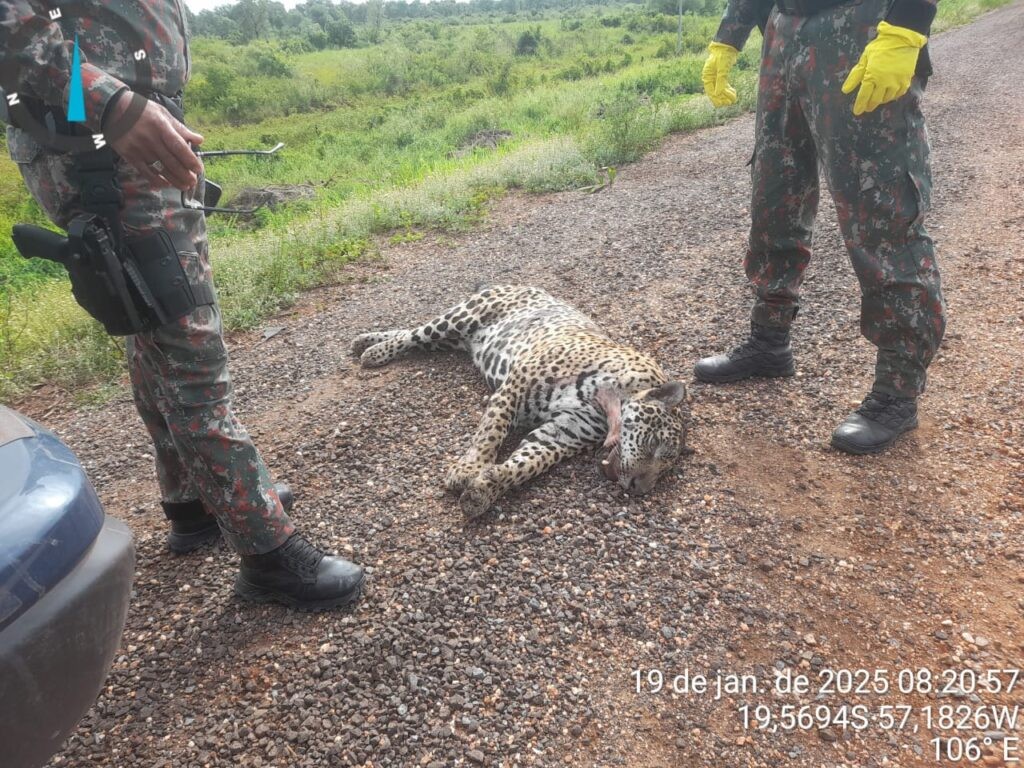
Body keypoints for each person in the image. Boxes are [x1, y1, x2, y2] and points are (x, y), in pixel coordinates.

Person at [1, 0, 364, 609]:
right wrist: (108, 99)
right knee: (190, 347)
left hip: (119, 135)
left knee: (155, 332)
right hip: (96, 141)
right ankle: (267, 552)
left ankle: (194, 501)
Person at [695, 0, 945, 454]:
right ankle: (769, 340)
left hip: (864, 29)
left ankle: (897, 390)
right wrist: (729, 36)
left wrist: (907, 26)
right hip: (783, 32)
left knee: (882, 213)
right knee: (774, 197)